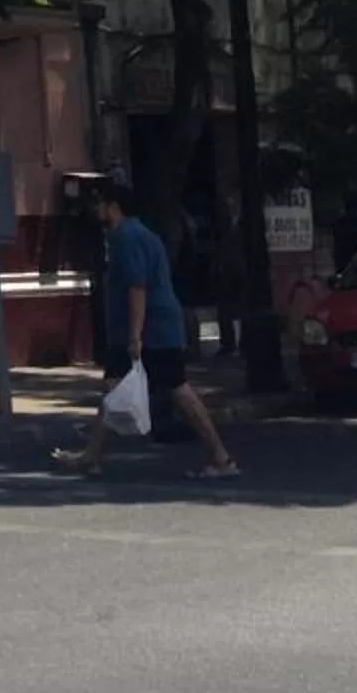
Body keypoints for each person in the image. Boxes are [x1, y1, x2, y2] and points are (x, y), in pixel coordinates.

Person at [59, 174, 240, 480]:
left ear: (114, 207)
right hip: (146, 329)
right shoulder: (134, 235)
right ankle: (91, 456)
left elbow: (137, 288)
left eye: (99, 204)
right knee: (113, 388)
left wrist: (135, 336)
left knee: (179, 391)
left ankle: (221, 457)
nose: (95, 210)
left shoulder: (127, 238)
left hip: (152, 332)